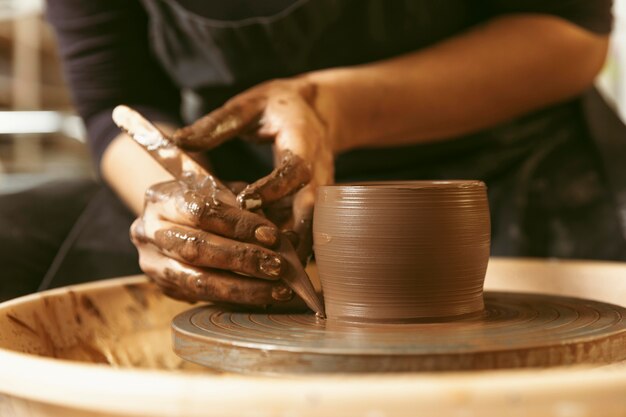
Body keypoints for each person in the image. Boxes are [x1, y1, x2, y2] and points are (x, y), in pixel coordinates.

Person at [1, 0, 624, 304]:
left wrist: (329, 107)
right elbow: (117, 102)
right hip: (252, 186)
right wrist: (186, 205)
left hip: (503, 166)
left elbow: (572, 34)